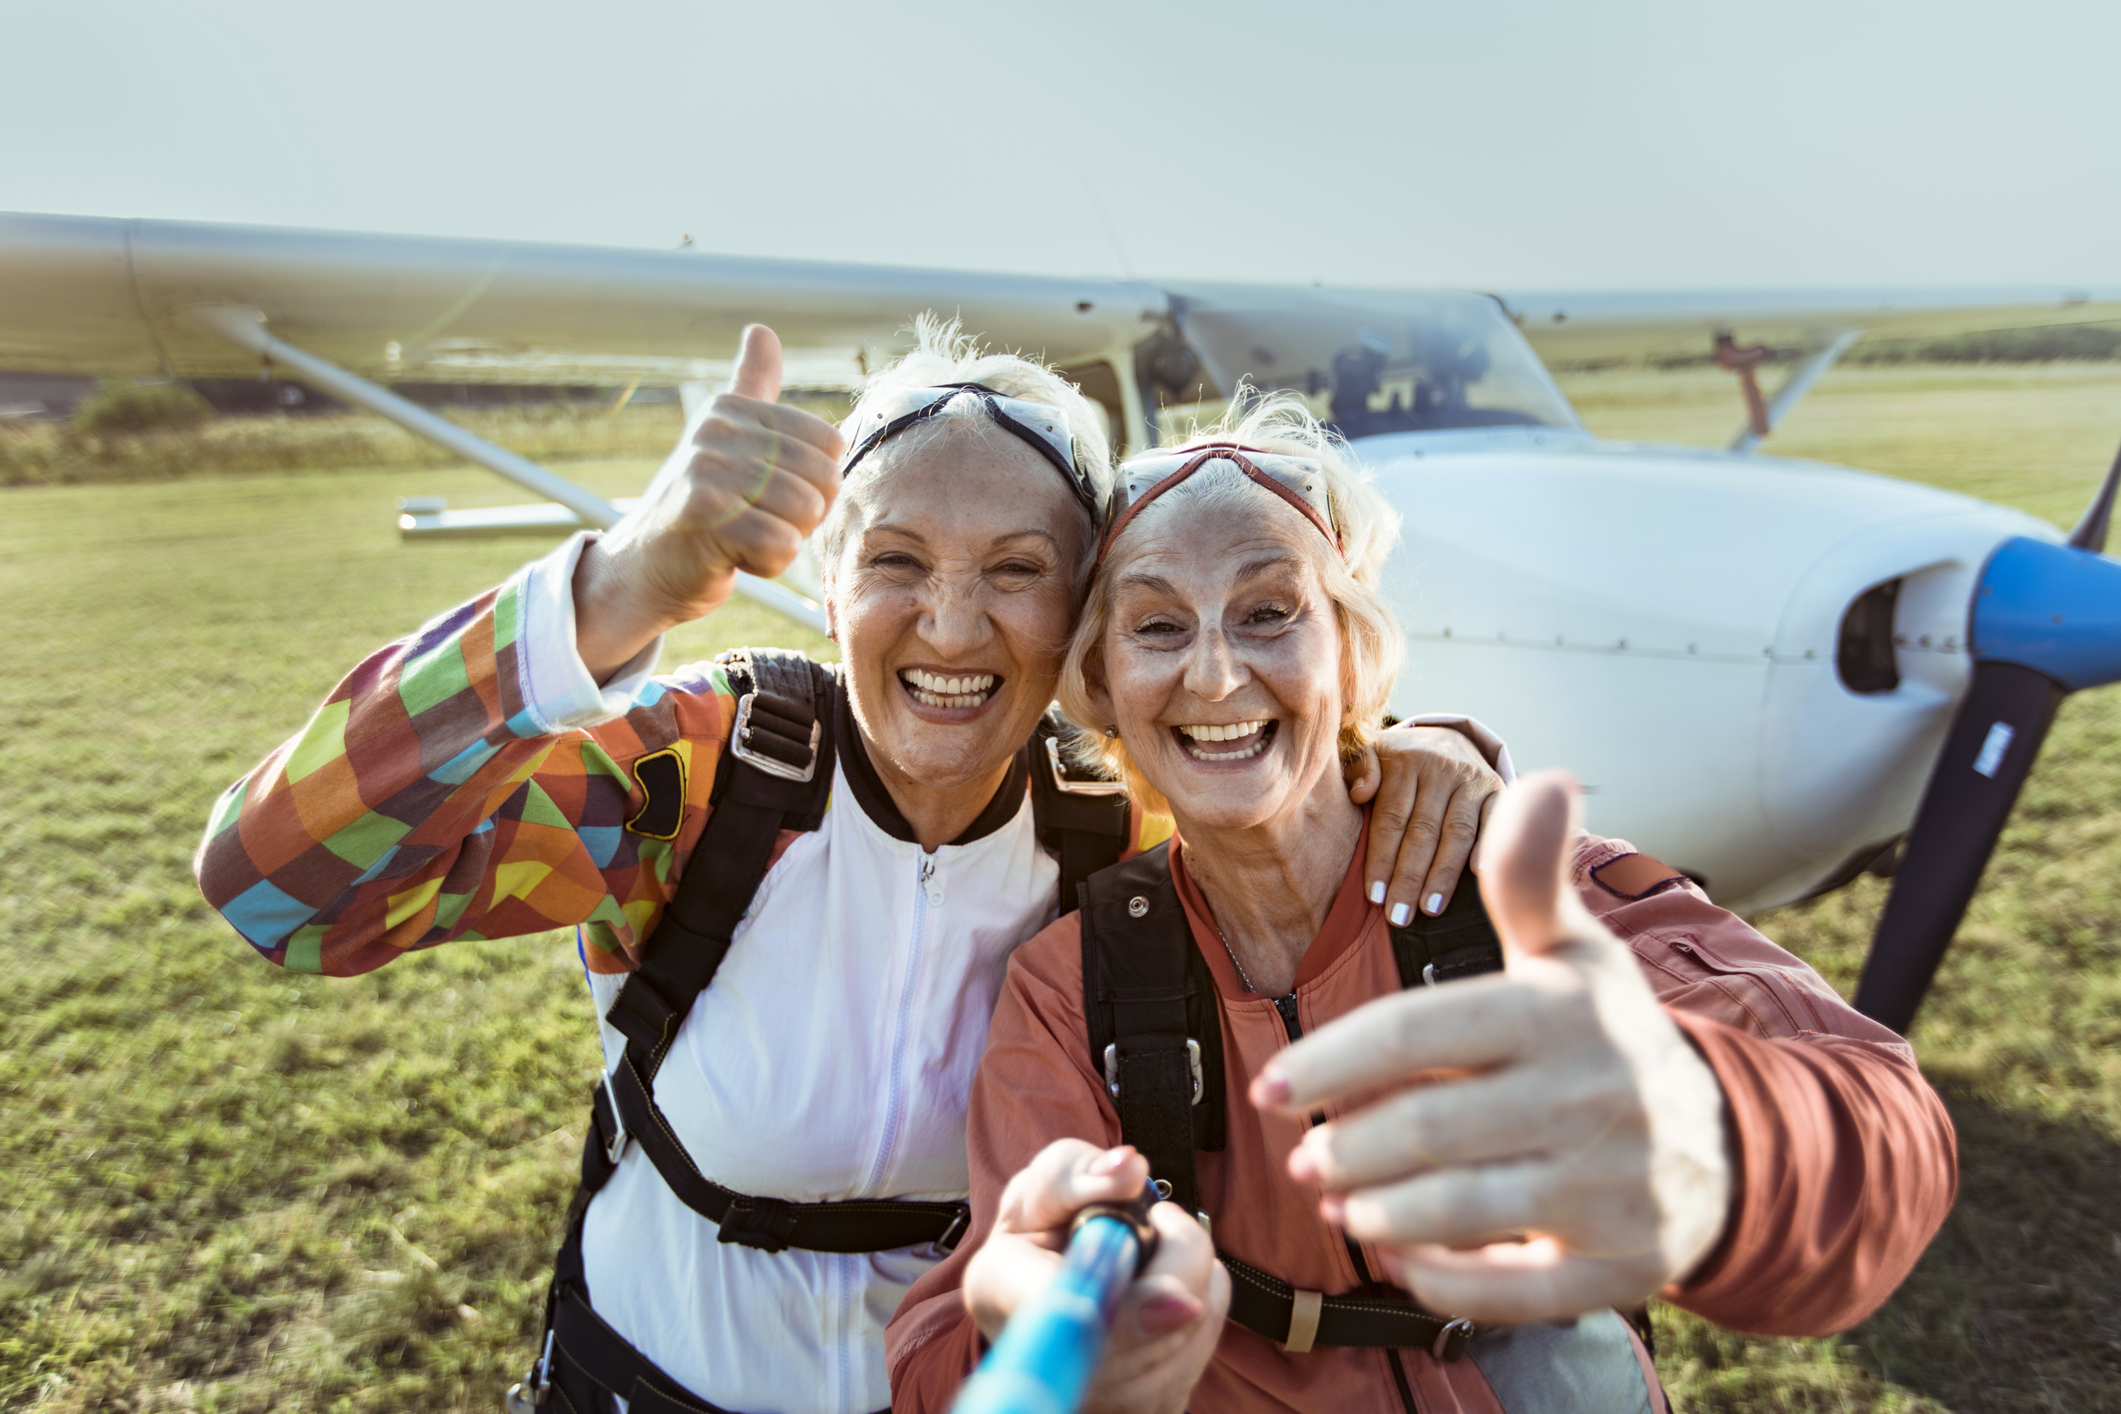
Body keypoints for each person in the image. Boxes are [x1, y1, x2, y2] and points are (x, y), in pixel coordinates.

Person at [192, 321, 1506, 1414]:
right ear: (828, 586)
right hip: (641, 1378)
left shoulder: (1117, 827)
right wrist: (621, 586)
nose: (949, 621)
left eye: (1016, 569)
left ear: (1079, 616)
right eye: (896, 561)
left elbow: (1277, 779)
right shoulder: (712, 773)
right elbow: (282, 885)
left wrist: (1407, 756)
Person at [886, 397, 1958, 1414]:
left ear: (1353, 658)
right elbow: (945, 1360)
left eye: (1269, 613)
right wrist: (1026, 1333)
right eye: (1158, 626)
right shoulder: (1074, 987)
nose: (1214, 677)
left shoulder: (1524, 893)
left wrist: (1719, 1135)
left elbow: (1883, 1122)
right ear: (1102, 687)